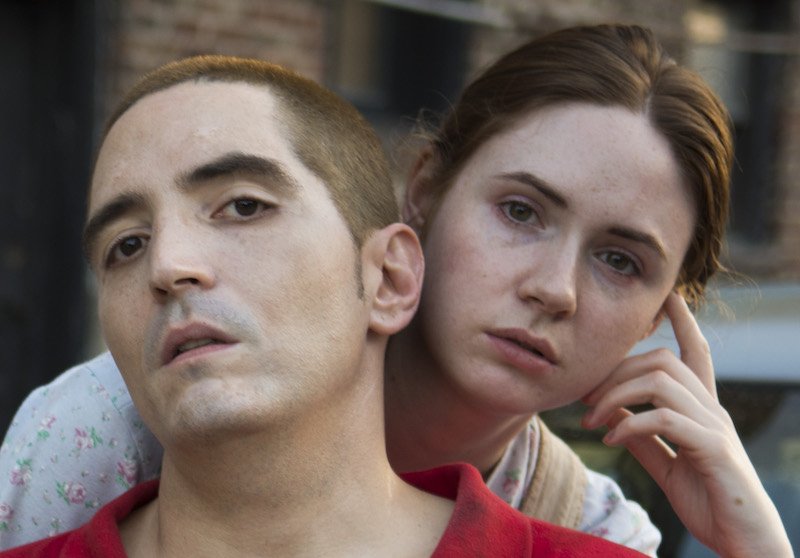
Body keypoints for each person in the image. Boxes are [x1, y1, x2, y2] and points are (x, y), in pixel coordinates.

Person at [0, 24, 791, 557]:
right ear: (424, 195)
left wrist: (755, 540)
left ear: (660, 315)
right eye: (521, 212)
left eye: (620, 261)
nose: (555, 289)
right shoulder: (110, 425)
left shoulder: (590, 528)